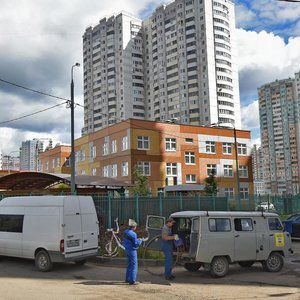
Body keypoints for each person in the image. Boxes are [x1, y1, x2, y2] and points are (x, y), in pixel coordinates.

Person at [123, 219, 143, 285]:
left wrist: (137, 240)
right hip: (132, 250)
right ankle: (132, 281)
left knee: (129, 265)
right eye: (135, 226)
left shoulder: (125, 231)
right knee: (134, 266)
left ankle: (127, 279)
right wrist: (140, 241)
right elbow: (135, 244)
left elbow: (130, 240)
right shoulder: (133, 234)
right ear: (133, 227)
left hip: (126, 250)